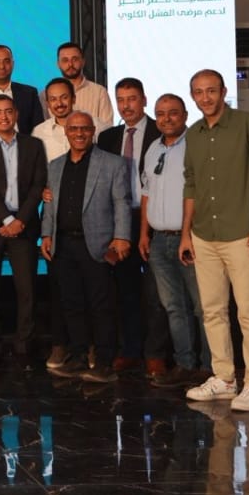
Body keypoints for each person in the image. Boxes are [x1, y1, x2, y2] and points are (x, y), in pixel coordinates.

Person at [180, 69, 249, 413]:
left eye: (211, 91)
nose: (205, 98)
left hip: (242, 233)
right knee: (212, 311)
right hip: (204, 235)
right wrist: (186, 233)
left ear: (223, 92)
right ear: (192, 96)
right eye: (198, 92)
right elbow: (191, 184)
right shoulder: (193, 134)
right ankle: (224, 379)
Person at [41, 111, 132, 384]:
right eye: (73, 129)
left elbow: (122, 202)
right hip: (63, 244)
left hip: (98, 245)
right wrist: (46, 235)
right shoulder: (55, 165)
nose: (79, 133)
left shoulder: (112, 163)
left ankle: (104, 363)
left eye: (84, 129)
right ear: (66, 132)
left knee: (101, 305)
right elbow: (50, 206)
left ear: (93, 131)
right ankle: (79, 357)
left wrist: (122, 237)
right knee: (71, 304)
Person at [96, 77, 169, 376]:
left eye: (132, 99)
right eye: (121, 100)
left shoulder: (160, 133)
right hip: (121, 221)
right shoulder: (108, 138)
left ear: (144, 100)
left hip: (155, 219)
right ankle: (130, 351)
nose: (126, 106)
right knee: (125, 292)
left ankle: (155, 353)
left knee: (156, 293)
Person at [0, 95, 48, 370]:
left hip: (23, 226)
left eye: (7, 111)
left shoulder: (33, 145)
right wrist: (6, 218)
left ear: (15, 114)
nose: (3, 117)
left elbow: (38, 184)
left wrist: (20, 220)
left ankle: (24, 345)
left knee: (26, 289)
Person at [139, 93, 211, 388]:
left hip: (190, 239)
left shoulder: (196, 144)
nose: (166, 118)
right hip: (159, 241)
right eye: (160, 113)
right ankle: (184, 365)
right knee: (173, 307)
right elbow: (146, 193)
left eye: (173, 113)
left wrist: (188, 234)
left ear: (185, 115)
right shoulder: (153, 148)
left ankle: (210, 368)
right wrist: (144, 233)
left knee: (203, 307)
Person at [54, 42, 113, 133]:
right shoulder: (46, 95)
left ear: (83, 62)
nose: (70, 64)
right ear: (58, 64)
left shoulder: (99, 92)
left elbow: (107, 129)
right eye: (65, 60)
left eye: (75, 59)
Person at [33, 78, 76, 162]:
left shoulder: (95, 125)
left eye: (64, 97)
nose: (59, 103)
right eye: (53, 99)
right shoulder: (38, 132)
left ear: (73, 99)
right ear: (47, 104)